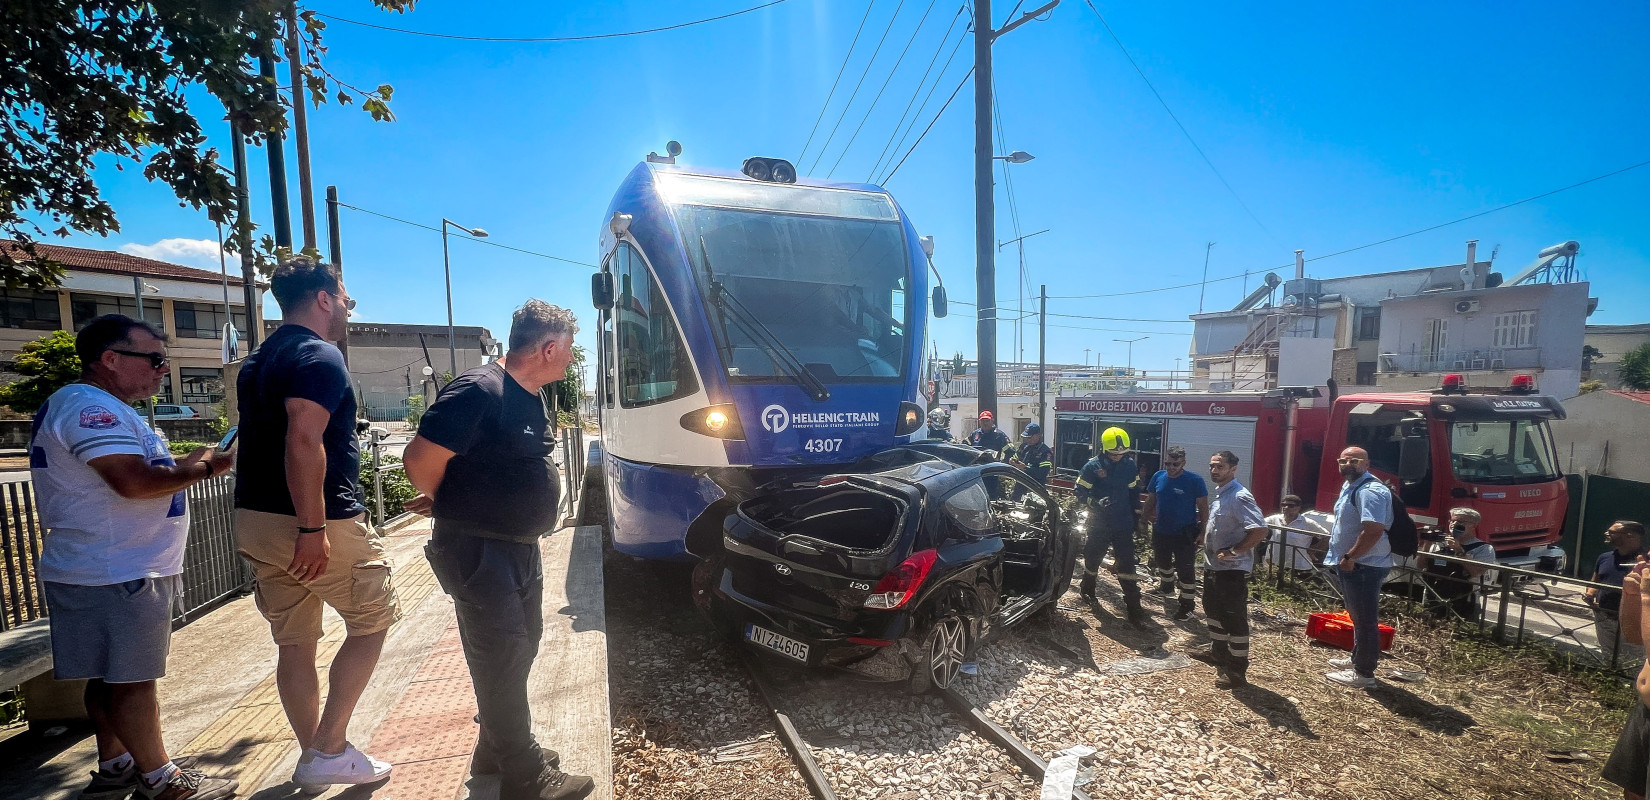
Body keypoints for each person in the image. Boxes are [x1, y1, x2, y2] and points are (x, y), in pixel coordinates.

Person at [31, 316, 238, 800]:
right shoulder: (91, 410)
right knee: (133, 683)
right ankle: (162, 780)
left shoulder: (89, 405)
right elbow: (134, 482)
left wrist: (190, 464)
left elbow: (142, 473)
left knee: (109, 677)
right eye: (155, 359)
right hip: (119, 569)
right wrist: (206, 467)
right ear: (110, 359)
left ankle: (118, 762)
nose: (163, 370)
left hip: (106, 567)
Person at [402, 301, 595, 800]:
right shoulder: (479, 390)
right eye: (569, 350)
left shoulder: (527, 396)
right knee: (503, 655)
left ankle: (495, 746)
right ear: (549, 348)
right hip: (478, 550)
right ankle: (525, 775)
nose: (571, 360)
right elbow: (420, 458)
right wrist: (452, 502)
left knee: (521, 644)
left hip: (516, 548)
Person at [234, 259, 399, 790]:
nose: (349, 306)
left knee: (295, 640)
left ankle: (316, 756)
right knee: (374, 616)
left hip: (254, 519)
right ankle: (329, 747)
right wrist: (312, 527)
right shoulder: (317, 354)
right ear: (324, 299)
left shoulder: (258, 361)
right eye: (345, 296)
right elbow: (303, 439)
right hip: (309, 520)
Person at [1323, 446, 1394, 689]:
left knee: (1365, 620)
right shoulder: (1351, 486)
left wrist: (1350, 557)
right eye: (1342, 460)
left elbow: (1373, 530)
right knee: (1358, 617)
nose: (1347, 464)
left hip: (1364, 565)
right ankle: (1357, 659)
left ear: (1367, 463)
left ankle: (1364, 674)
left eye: (1354, 460)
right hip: (1357, 564)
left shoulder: (1370, 491)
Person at [1200, 450, 1269, 689]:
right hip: (1213, 567)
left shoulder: (1239, 496)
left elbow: (1260, 530)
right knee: (1213, 611)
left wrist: (1234, 551)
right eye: (1212, 466)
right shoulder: (1222, 494)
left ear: (1233, 469)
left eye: (1219, 466)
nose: (1214, 471)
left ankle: (1237, 670)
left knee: (1234, 619)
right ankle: (1218, 653)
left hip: (1231, 570)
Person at [1075, 427, 1145, 626]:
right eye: (1114, 453)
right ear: (1105, 449)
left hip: (1123, 523)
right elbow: (1079, 491)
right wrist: (1095, 502)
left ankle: (1134, 608)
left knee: (1127, 564)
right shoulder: (1092, 466)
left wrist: (1138, 518)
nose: (1118, 457)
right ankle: (1088, 587)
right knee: (1093, 557)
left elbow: (1134, 493)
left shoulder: (1130, 465)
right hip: (1099, 523)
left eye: (1122, 454)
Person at [1142, 446, 1208, 621]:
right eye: (1168, 463)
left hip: (1184, 533)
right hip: (1161, 530)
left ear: (1183, 463)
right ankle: (1167, 587)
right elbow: (1151, 498)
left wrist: (1203, 532)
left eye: (1175, 464)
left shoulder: (1195, 480)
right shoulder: (1158, 476)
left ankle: (1187, 605)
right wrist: (1144, 516)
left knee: (1185, 569)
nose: (1171, 467)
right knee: (1162, 562)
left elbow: (1203, 508)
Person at [1606, 555, 1650, 799]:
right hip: (1644, 712)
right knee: (1634, 791)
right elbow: (1634, 635)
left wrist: (1647, 596)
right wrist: (1632, 597)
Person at [1586, 521, 1648, 670]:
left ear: (1630, 536)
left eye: (1612, 532)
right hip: (1605, 618)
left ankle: (1631, 692)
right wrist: (1589, 593)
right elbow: (1595, 581)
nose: (1607, 534)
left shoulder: (1646, 561)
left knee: (1634, 664)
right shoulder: (1604, 557)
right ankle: (1610, 686)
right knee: (1608, 657)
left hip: (1634, 621)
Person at [1419, 507, 1498, 619]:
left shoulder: (1484, 548)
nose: (1454, 524)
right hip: (1433, 595)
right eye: (1452, 520)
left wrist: (1459, 550)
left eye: (1460, 522)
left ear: (1473, 526)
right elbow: (1421, 566)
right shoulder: (1440, 544)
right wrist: (1427, 544)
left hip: (1465, 600)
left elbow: (1476, 573)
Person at [1264, 495, 1328, 579]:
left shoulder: (1307, 523)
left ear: (1298, 508)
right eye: (1283, 505)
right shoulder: (1275, 519)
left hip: (1299, 566)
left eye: (1291, 505)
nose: (1286, 507)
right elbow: (1259, 524)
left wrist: (1313, 550)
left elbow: (1327, 536)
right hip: (1278, 564)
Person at [1008, 423, 1053, 487]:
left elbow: (1042, 473)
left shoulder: (1045, 452)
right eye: (1026, 437)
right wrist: (1012, 461)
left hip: (1036, 487)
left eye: (1030, 437)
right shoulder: (1024, 446)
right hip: (1021, 483)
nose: (1027, 440)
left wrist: (1025, 468)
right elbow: (1016, 457)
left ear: (1038, 435)